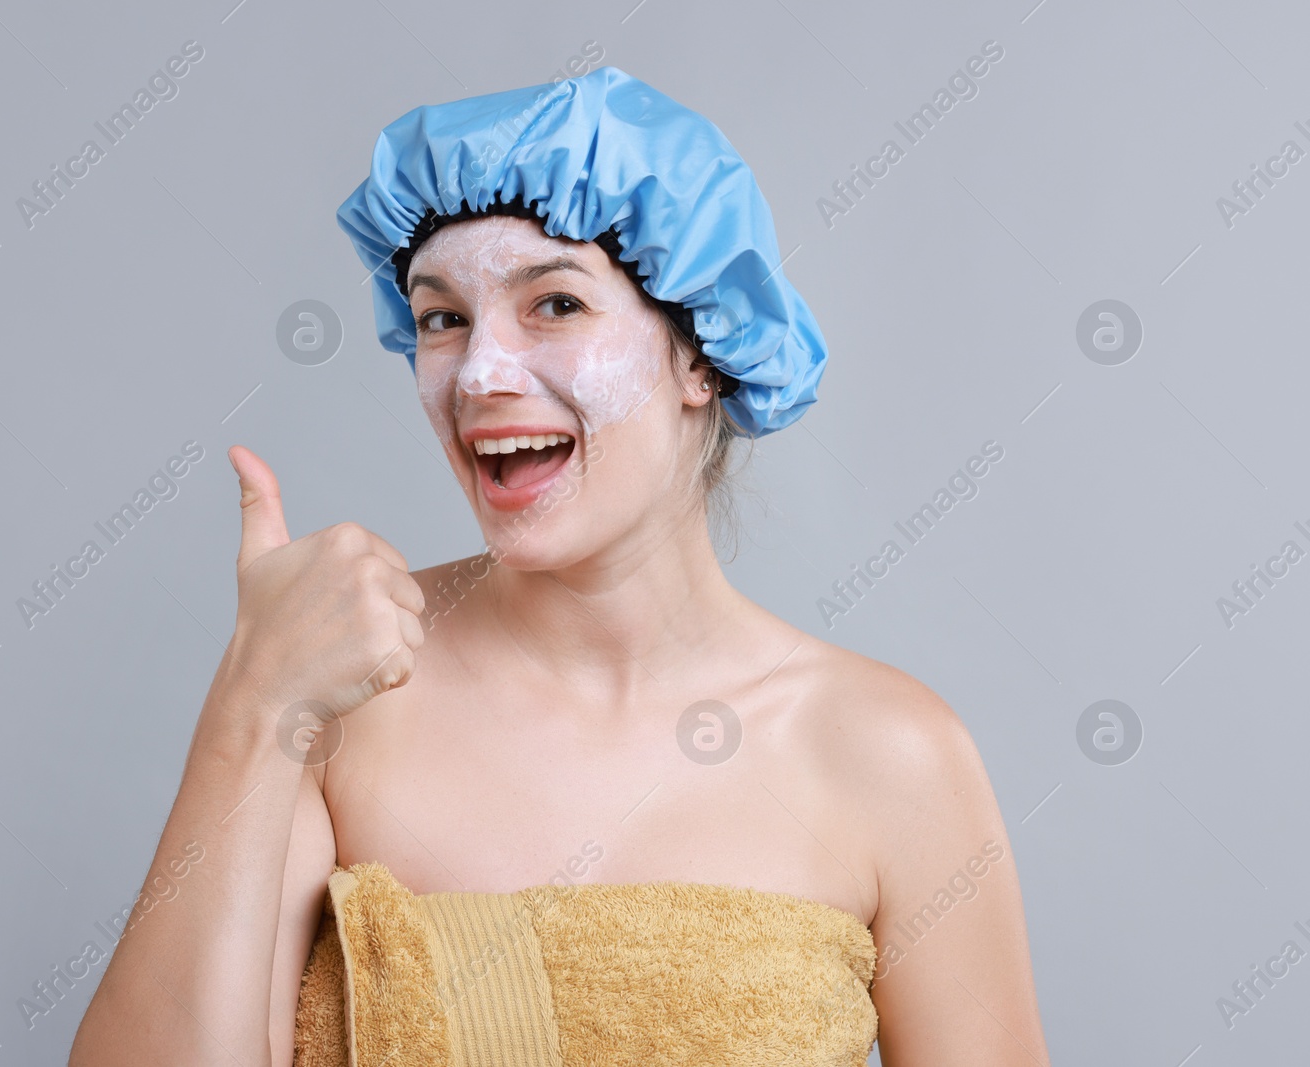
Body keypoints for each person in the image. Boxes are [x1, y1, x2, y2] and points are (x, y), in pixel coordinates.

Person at [71, 66, 1050, 1066]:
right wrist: (254, 704)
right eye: (442, 317)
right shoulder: (340, 692)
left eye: (554, 304)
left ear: (700, 350)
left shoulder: (888, 753)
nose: (480, 374)